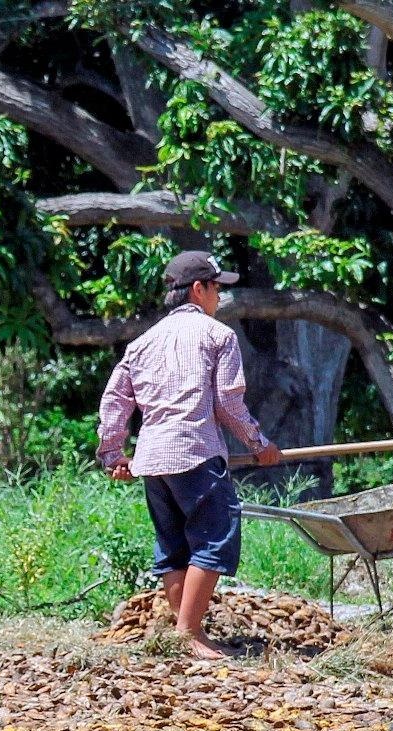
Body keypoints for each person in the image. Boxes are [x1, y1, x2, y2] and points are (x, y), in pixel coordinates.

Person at [97, 250, 281, 659]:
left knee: (174, 546)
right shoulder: (218, 336)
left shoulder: (141, 344)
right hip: (195, 453)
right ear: (198, 289)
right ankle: (189, 634)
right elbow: (228, 404)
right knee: (215, 539)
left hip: (153, 461)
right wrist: (260, 445)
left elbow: (115, 402)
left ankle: (184, 634)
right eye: (216, 287)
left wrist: (114, 456)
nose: (219, 297)